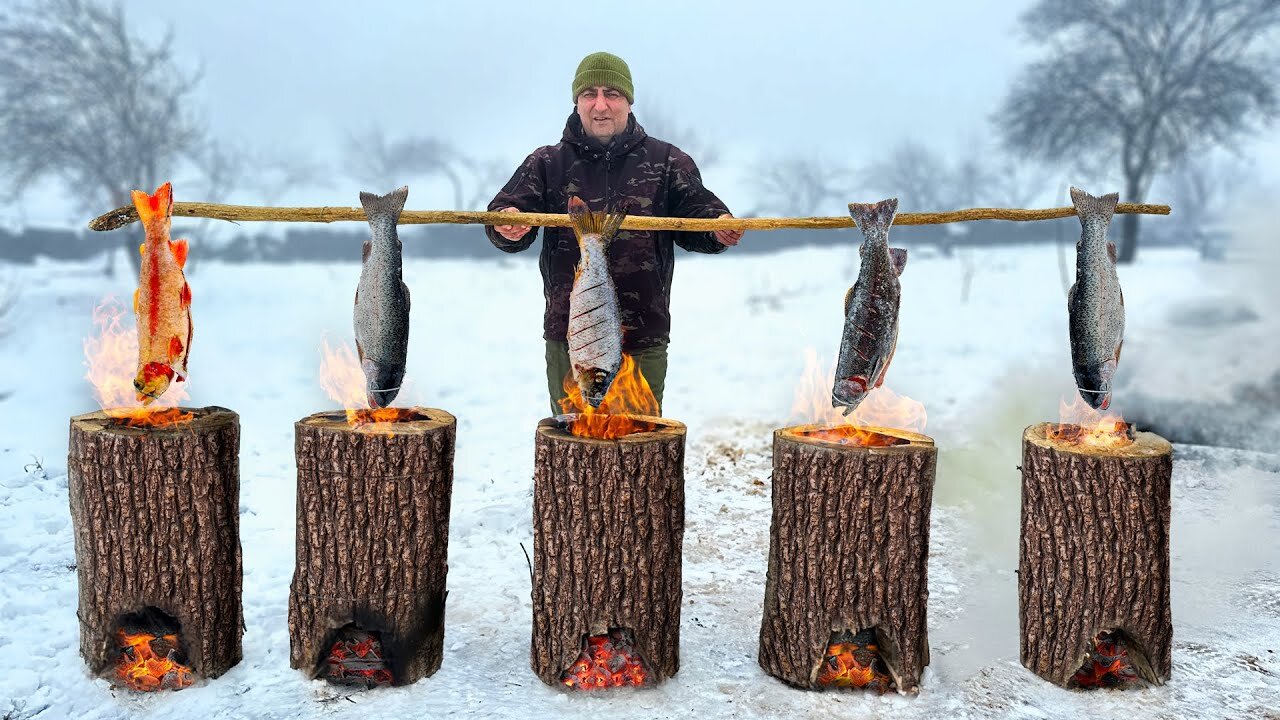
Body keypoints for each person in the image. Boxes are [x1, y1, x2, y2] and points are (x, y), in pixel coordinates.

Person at [485, 51, 743, 416]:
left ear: (629, 101)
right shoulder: (546, 163)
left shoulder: (668, 161)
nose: (600, 105)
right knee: (573, 450)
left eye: (612, 94)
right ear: (576, 102)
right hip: (571, 336)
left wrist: (718, 228)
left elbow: (698, 217)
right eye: (590, 93)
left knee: (640, 450)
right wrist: (507, 225)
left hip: (644, 338)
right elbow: (505, 212)